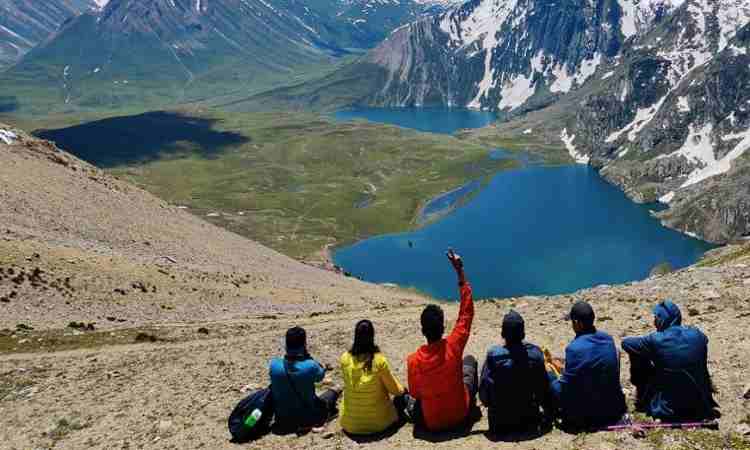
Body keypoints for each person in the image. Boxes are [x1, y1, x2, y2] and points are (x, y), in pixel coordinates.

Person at [407, 249, 477, 432]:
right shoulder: (454, 345)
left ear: (423, 330)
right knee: (470, 362)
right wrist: (460, 272)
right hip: (460, 414)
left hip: (433, 422)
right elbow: (466, 314)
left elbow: (415, 393)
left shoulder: (414, 361)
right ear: (443, 327)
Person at [621, 300, 719, 421]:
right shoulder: (697, 334)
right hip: (701, 406)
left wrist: (651, 348)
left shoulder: (655, 340)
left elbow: (626, 343)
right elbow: (705, 340)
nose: (654, 321)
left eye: (656, 317)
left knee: (637, 353)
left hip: (668, 409)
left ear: (662, 319)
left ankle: (643, 397)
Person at [549, 301, 626, 430]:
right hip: (612, 407)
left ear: (577, 323)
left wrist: (554, 375)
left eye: (572, 322)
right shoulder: (608, 339)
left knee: (551, 380)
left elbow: (566, 386)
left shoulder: (574, 348)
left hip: (588, 414)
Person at [479, 310, 553, 434]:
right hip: (529, 422)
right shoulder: (535, 355)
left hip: (499, 424)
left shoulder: (493, 356)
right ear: (523, 334)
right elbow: (543, 390)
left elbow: (484, 394)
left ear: (503, 333)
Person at [339, 319, 408, 436]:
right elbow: (395, 390)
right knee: (402, 398)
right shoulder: (378, 360)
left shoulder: (345, 358)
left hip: (350, 424)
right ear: (372, 336)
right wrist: (404, 390)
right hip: (379, 424)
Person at [269, 326, 340, 432]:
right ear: (304, 344)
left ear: (286, 345)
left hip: (282, 418)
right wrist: (308, 357)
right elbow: (320, 377)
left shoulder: (274, 364)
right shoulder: (310, 365)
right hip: (307, 417)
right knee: (336, 390)